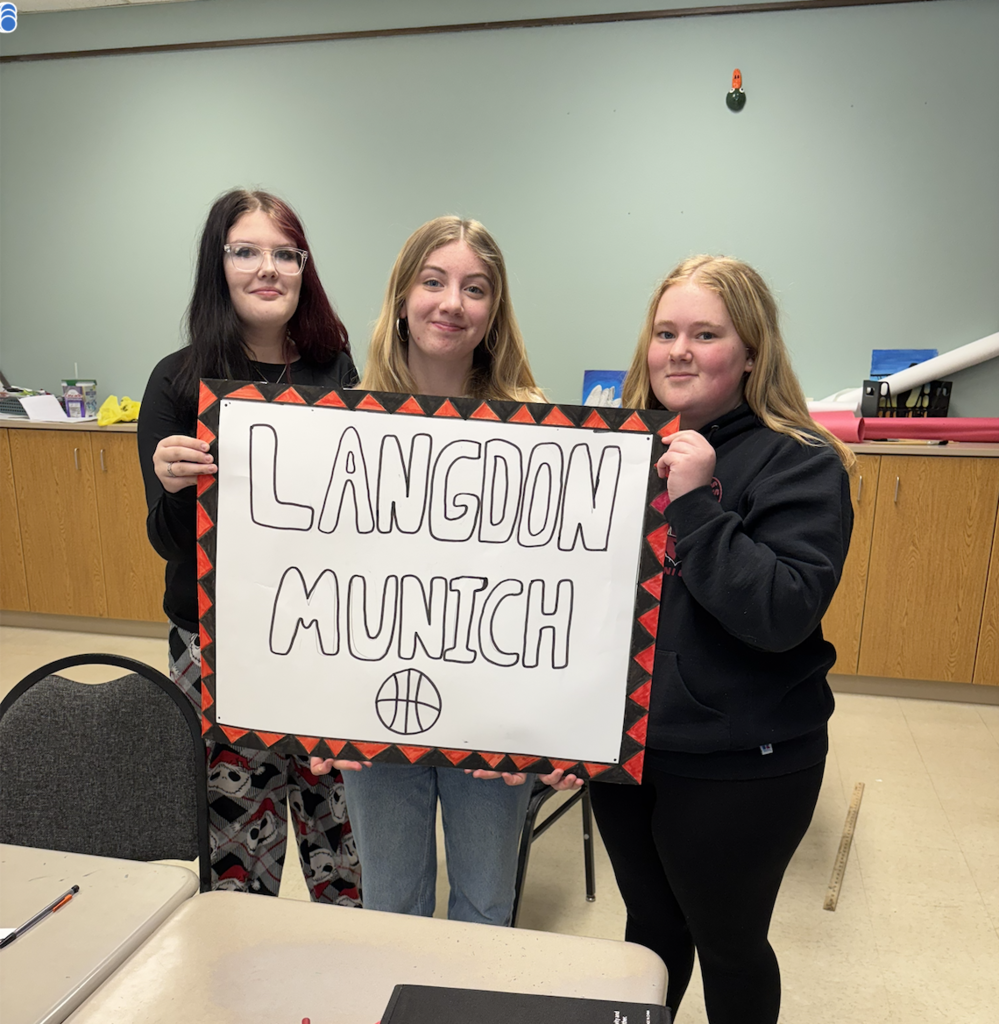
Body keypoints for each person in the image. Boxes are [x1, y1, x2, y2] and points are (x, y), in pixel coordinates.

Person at [589, 256, 854, 1024]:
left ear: (749, 353)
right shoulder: (618, 451)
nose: (678, 351)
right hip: (627, 750)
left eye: (705, 334)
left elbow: (780, 612)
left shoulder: (799, 460)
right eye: (664, 333)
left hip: (742, 762)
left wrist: (695, 502)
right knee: (649, 931)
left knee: (728, 942)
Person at [310, 215, 571, 926]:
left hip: (493, 711)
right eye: (433, 282)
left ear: (494, 312)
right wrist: (314, 715)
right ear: (402, 297)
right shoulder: (339, 422)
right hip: (374, 703)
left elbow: (560, 590)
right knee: (390, 903)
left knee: (486, 902)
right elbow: (316, 576)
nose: (452, 303)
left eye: (475, 288)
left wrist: (554, 728)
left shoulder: (539, 430)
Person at [138, 188, 362, 903]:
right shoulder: (176, 381)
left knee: (345, 843)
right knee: (236, 854)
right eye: (246, 251)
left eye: (286, 254)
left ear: (303, 268)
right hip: (218, 649)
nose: (269, 268)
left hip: (324, 637)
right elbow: (166, 542)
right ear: (218, 264)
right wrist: (175, 487)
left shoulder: (336, 370)